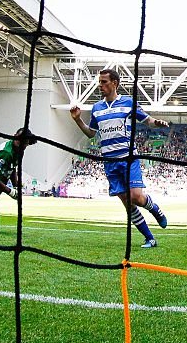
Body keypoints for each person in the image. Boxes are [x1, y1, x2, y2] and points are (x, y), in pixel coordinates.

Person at [69, 68, 170, 248]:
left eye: (104, 82)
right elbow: (92, 134)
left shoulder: (128, 102)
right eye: (99, 82)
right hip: (109, 162)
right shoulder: (97, 108)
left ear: (114, 83)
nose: (100, 85)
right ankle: (150, 238)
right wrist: (77, 120)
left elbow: (147, 120)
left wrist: (158, 123)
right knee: (127, 203)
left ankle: (155, 209)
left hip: (128, 158)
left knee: (136, 197)